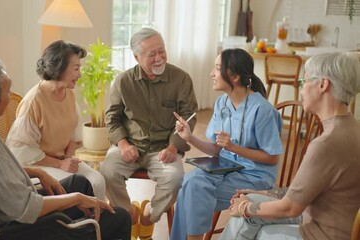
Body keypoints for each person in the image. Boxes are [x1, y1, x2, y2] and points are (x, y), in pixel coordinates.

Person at [0, 52, 131, 240]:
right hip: (19, 230)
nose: (11, 97)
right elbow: (28, 208)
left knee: (79, 183)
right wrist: (77, 199)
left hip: (12, 209)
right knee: (120, 217)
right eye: (7, 92)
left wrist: (35, 172)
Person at [220, 52, 360, 240]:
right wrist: (263, 193)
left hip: (321, 233)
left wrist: (244, 208)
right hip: (328, 221)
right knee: (251, 203)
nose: (301, 89)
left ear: (323, 85)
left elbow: (290, 208)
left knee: (251, 222)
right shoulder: (351, 128)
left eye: (304, 81)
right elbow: (304, 191)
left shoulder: (326, 143)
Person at [170, 48, 283, 240]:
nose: (211, 74)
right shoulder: (222, 103)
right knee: (191, 182)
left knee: (192, 191)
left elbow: (272, 158)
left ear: (234, 76)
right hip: (224, 169)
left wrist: (234, 148)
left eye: (216, 69)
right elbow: (216, 149)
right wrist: (189, 138)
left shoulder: (262, 110)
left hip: (254, 176)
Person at [99, 27, 198, 238]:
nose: (159, 58)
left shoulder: (181, 79)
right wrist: (123, 145)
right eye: (152, 54)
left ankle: (148, 215)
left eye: (161, 51)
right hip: (130, 145)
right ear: (136, 57)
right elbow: (112, 119)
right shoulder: (123, 81)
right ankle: (128, 214)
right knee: (106, 171)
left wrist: (174, 147)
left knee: (174, 180)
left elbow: (189, 118)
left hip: (165, 148)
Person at [6, 40, 106, 200]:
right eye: (76, 68)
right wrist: (60, 164)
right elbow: (21, 151)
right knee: (81, 183)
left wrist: (67, 158)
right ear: (60, 68)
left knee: (98, 181)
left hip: (62, 159)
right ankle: (80, 222)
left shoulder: (68, 94)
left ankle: (99, 223)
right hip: (38, 165)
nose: (79, 74)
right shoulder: (33, 101)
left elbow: (72, 135)